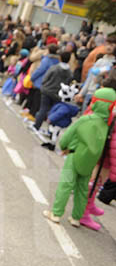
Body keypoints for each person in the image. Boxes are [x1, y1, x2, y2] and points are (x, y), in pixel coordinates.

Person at [43, 87, 116, 229]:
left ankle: (56, 213)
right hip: (90, 161)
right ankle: (76, 217)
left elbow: (68, 136)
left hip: (75, 155)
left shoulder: (86, 119)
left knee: (65, 184)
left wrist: (64, 146)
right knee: (82, 190)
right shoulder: (107, 126)